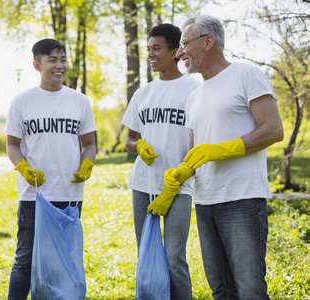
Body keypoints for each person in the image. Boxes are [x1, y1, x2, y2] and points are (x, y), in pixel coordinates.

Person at [152, 15, 283, 299]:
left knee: (250, 289)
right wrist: (179, 175)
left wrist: (223, 149)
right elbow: (194, 151)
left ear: (208, 42)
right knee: (221, 290)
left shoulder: (245, 75)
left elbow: (273, 129)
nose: (180, 52)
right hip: (205, 201)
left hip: (242, 199)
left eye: (185, 43)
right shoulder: (194, 96)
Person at [5, 38, 97, 300]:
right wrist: (23, 167)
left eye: (63, 59)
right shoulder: (22, 102)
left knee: (64, 261)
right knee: (25, 260)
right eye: (52, 60)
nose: (60, 65)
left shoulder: (79, 101)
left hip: (69, 195)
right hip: (34, 195)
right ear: (37, 65)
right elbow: (12, 145)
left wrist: (86, 165)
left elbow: (89, 144)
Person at [121, 23, 199, 299]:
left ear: (176, 51)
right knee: (147, 252)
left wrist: (178, 180)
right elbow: (129, 140)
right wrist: (138, 145)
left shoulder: (194, 90)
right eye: (148, 49)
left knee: (174, 256)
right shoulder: (143, 94)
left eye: (157, 49)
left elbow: (198, 143)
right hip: (143, 184)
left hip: (179, 186)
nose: (151, 54)